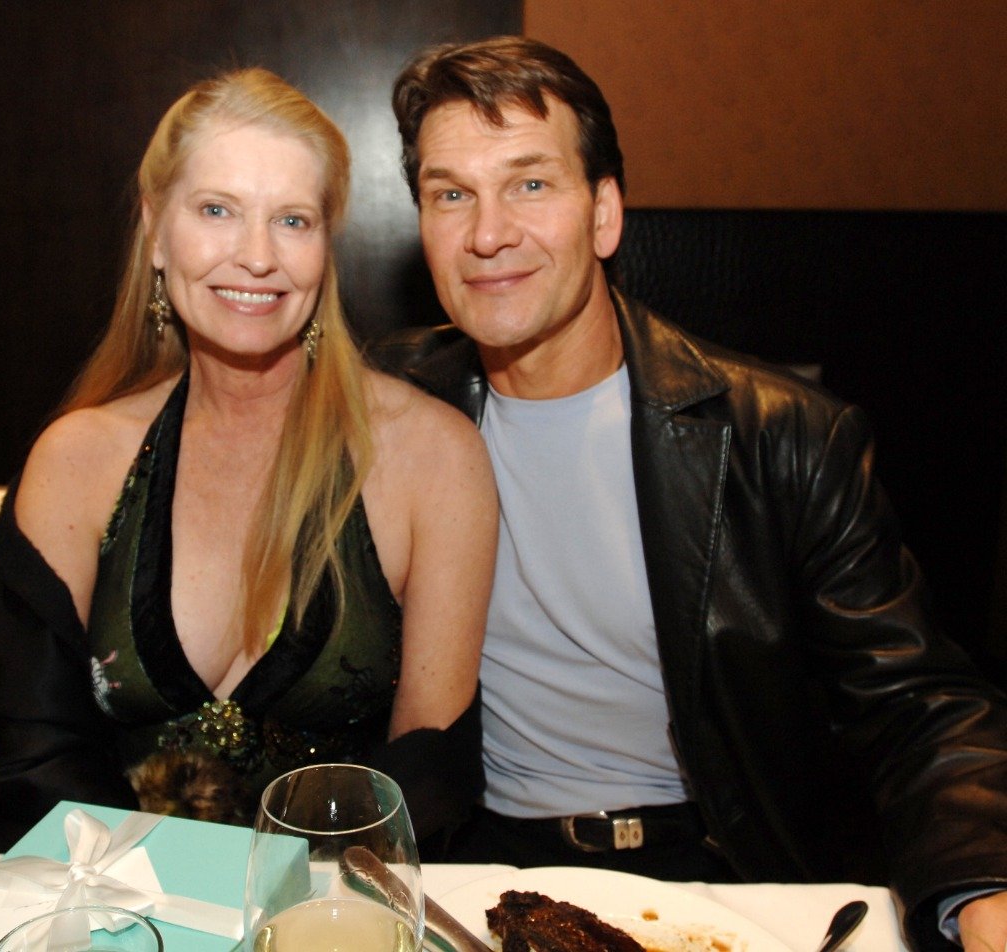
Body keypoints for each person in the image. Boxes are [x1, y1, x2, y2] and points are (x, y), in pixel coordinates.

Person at [379, 35, 1007, 950]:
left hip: (712, 867)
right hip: (472, 862)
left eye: (530, 184)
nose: (487, 233)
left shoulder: (781, 435)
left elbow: (917, 700)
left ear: (604, 215)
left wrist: (983, 885)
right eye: (450, 194)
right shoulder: (387, 408)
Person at [0, 67, 497, 853]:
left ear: (326, 247)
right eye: (217, 210)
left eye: (293, 220)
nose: (256, 257)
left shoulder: (432, 458)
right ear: (155, 228)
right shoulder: (78, 459)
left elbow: (429, 777)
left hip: (331, 908)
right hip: (115, 910)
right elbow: (29, 763)